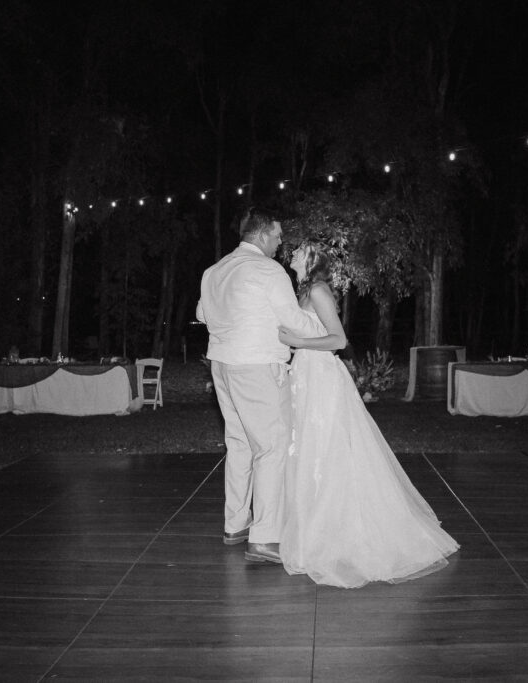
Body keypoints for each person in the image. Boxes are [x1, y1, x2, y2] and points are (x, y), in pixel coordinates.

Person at [277, 243, 459, 588]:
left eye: (300, 251)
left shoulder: (317, 290)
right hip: (304, 376)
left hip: (322, 378)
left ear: (312, 260)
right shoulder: (302, 291)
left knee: (329, 450)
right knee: (307, 449)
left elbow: (338, 339)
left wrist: (296, 342)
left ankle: (341, 531)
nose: (293, 254)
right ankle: (314, 524)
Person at [196, 208, 322, 564]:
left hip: (221, 365)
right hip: (256, 367)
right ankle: (265, 538)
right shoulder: (268, 270)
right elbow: (293, 320)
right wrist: (324, 328)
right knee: (271, 447)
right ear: (262, 235)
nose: (281, 243)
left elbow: (203, 314)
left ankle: (235, 525)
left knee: (239, 445)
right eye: (278, 236)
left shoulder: (214, 270)